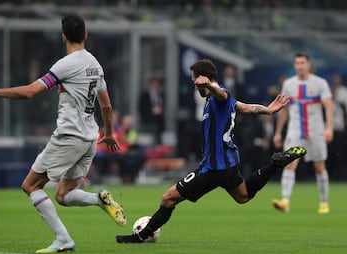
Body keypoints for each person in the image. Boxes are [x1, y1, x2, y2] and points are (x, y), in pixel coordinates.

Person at [115, 59, 306, 243]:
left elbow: (221, 94)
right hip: (228, 163)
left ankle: (140, 236)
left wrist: (210, 85)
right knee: (244, 195)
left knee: (168, 198)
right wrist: (268, 110)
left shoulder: (219, 96)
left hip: (214, 167)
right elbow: (246, 108)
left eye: (195, 82)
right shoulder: (221, 100)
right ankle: (275, 164)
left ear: (204, 80)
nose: (194, 86)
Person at [0, 14, 127, 253]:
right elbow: (106, 105)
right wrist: (110, 133)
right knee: (64, 195)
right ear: (85, 34)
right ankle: (98, 199)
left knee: (30, 186)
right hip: (89, 140)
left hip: (69, 138)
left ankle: (63, 239)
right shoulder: (95, 64)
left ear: (63, 36)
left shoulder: (65, 65)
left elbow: (31, 92)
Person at [272, 53, 333, 214]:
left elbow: (328, 106)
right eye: (297, 63)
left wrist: (329, 128)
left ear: (308, 64)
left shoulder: (320, 83)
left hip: (316, 130)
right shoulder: (288, 84)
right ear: (294, 65)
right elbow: (283, 110)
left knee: (319, 167)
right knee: (290, 163)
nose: (300, 66)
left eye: (303, 63)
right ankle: (285, 201)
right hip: (295, 130)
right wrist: (278, 132)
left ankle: (324, 203)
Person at [138, 77, 164, 145]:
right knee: (148, 138)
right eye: (153, 84)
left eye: (156, 84)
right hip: (148, 119)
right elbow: (141, 107)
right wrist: (151, 111)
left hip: (158, 120)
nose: (155, 85)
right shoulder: (144, 95)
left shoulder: (160, 94)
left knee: (158, 136)